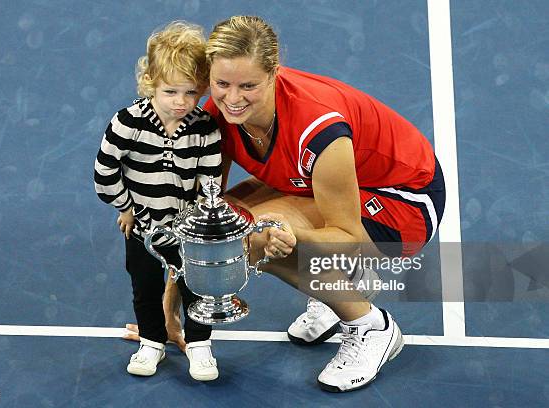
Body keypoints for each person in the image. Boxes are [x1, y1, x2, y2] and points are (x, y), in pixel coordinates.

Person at [201, 15, 446, 392]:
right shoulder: (219, 114)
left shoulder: (317, 127)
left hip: (404, 203)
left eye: (248, 85)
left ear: (274, 73)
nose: (233, 99)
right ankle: (349, 279)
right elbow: (203, 217)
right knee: (225, 226)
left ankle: (371, 325)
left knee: (256, 237)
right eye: (222, 84)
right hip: (330, 186)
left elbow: (346, 236)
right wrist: (166, 318)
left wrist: (291, 234)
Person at [94, 21, 222, 381]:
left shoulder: (205, 129)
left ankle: (200, 346)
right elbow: (104, 174)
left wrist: (200, 222)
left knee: (196, 287)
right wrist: (127, 208)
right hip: (141, 229)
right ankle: (152, 341)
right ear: (149, 80)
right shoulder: (126, 123)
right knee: (145, 286)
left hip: (188, 230)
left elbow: (209, 183)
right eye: (170, 92)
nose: (181, 102)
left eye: (191, 93)